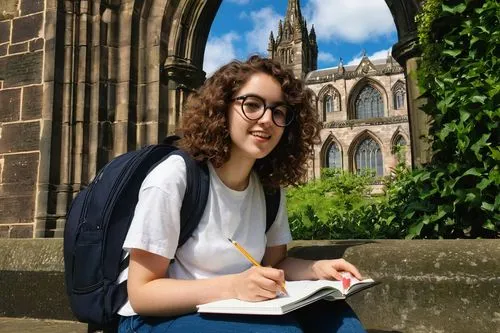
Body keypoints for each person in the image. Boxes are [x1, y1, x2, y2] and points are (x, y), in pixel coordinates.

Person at [117, 55, 367, 333]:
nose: (267, 119)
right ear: (222, 108)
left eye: (279, 111)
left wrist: (316, 269)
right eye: (252, 105)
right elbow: (142, 294)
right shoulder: (174, 177)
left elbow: (276, 264)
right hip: (156, 318)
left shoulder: (269, 188)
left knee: (344, 326)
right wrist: (234, 286)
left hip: (237, 305)